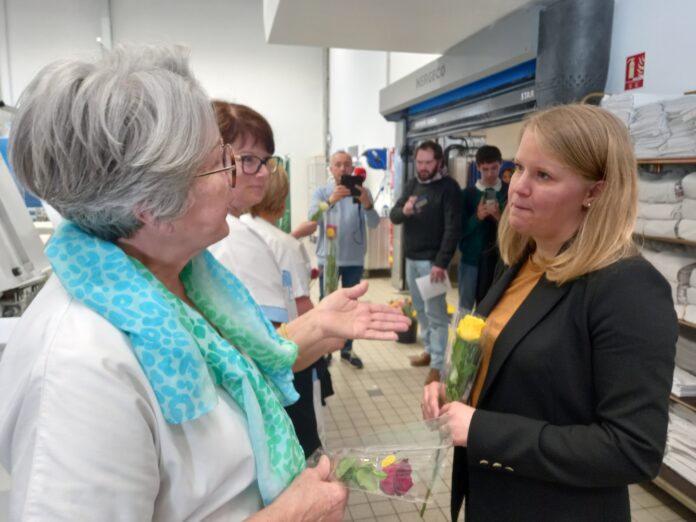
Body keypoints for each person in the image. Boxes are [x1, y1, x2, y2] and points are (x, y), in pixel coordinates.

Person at [0, 45, 410, 521]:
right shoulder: (78, 370)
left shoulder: (175, 279)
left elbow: (224, 371)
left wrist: (316, 327)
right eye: (220, 161)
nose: (238, 173)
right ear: (151, 206)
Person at [423, 104, 677, 522]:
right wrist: (451, 390)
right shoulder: (523, 258)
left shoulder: (627, 288)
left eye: (543, 175)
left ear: (594, 192)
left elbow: (633, 448)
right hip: (495, 499)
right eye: (519, 167)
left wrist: (482, 430)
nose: (518, 186)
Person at [242, 163, 330, 454]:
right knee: (306, 436)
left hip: (255, 354)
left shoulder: (241, 232)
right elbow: (303, 308)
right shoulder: (284, 244)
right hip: (292, 352)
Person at [390, 140, 462, 384]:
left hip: (433, 264)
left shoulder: (449, 188)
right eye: (419, 162)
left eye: (427, 162)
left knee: (437, 315)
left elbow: (453, 228)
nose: (422, 167)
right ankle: (430, 352)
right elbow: (394, 215)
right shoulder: (412, 185)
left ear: (439, 162)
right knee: (420, 310)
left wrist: (441, 263)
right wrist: (405, 211)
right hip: (411, 260)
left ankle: (438, 365)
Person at [309, 151, 380, 369]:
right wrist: (330, 201)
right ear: (331, 169)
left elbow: (375, 222)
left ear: (352, 168)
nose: (343, 169)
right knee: (327, 304)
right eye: (338, 165)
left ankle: (347, 350)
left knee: (351, 306)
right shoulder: (322, 192)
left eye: (347, 165)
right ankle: (326, 349)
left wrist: (367, 204)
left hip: (354, 259)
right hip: (328, 259)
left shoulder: (362, 191)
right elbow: (312, 219)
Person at [458, 145, 507, 311]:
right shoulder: (467, 195)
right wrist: (477, 217)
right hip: (470, 260)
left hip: (500, 261)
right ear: (477, 167)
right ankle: (461, 337)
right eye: (485, 169)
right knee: (465, 306)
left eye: (494, 168)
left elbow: (518, 232)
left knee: (492, 307)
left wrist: (500, 218)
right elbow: (459, 231)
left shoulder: (509, 193)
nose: (490, 174)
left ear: (500, 164)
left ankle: (486, 338)